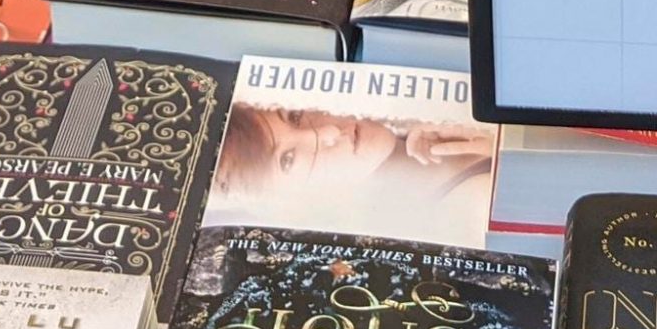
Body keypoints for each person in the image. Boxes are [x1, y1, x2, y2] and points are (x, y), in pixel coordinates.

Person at [208, 103, 495, 238]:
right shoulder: (467, 209)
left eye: (295, 117)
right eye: (288, 160)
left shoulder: (431, 121)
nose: (329, 131)